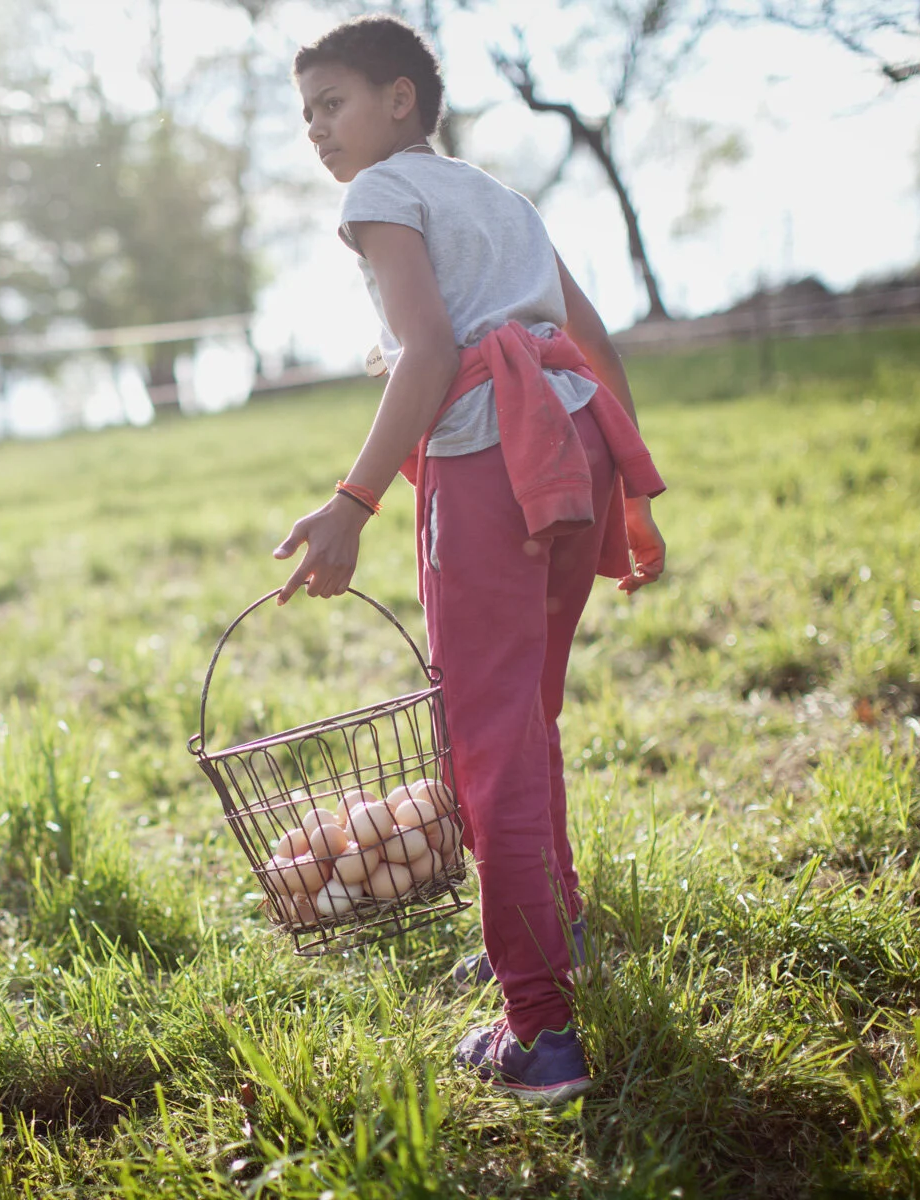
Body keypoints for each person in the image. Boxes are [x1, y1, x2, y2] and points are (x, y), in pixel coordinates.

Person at [273, 14, 668, 1105]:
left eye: (334, 103)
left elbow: (436, 350)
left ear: (402, 99)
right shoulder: (500, 198)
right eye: (306, 113)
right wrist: (624, 485)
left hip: (498, 467)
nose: (317, 130)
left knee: (485, 741)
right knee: (524, 715)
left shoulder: (379, 195)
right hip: (572, 452)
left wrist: (351, 501)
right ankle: (559, 927)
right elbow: (589, 338)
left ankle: (538, 1030)